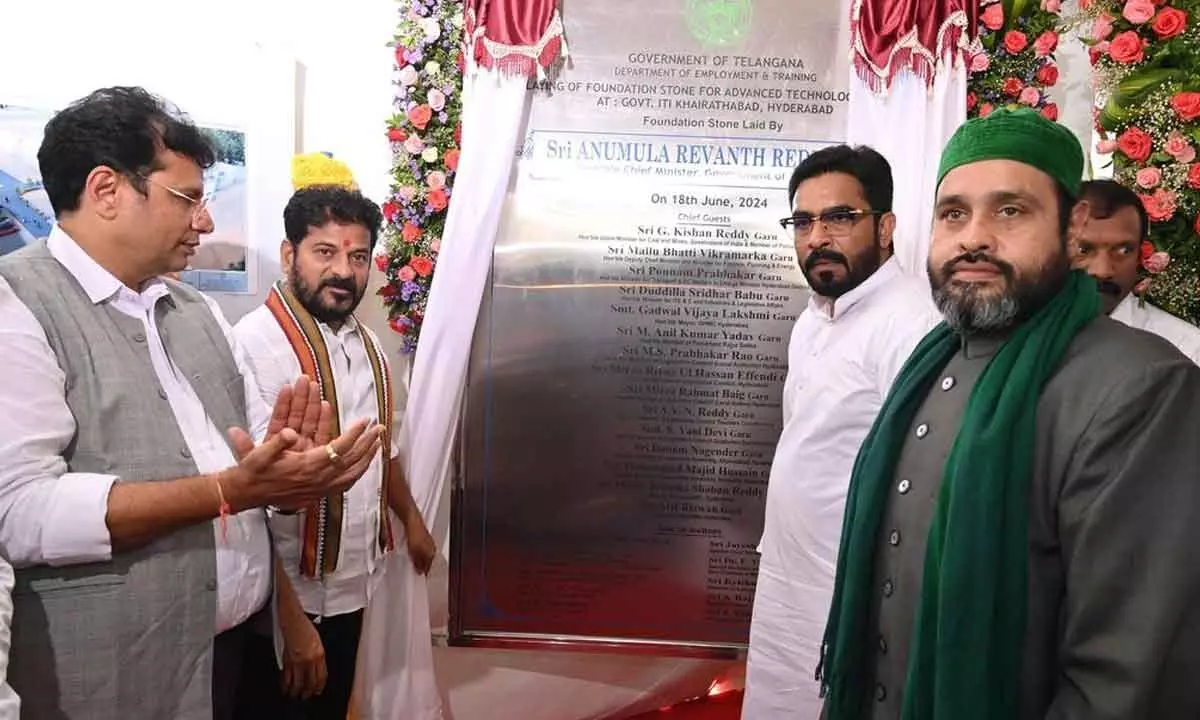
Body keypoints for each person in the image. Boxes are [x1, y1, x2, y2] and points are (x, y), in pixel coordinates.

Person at [0, 86, 382, 720]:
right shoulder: (18, 306)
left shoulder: (196, 310)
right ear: (106, 190)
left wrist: (290, 470)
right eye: (188, 199)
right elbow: (19, 511)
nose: (205, 221)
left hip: (229, 656)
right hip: (107, 678)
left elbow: (252, 459)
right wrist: (232, 489)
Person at [818, 107, 1200, 719]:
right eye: (954, 214)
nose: (973, 237)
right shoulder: (932, 359)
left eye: (1010, 211)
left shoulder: (1140, 386)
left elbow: (1130, 671)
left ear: (1072, 228)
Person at [742, 145, 939, 719]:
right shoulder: (814, 317)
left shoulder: (910, 324)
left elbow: (921, 479)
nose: (817, 237)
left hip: (847, 589)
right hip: (788, 572)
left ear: (886, 227)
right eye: (803, 221)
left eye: (840, 218)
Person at [233, 178, 436, 719]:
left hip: (351, 588)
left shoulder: (366, 343)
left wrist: (411, 519)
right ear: (288, 253)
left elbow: (379, 450)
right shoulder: (252, 343)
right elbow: (243, 497)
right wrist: (291, 621)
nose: (344, 271)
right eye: (325, 252)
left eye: (359, 255)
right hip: (281, 603)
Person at [1072, 179, 1200, 363]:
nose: (1102, 271)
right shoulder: (1021, 333)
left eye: (1123, 251)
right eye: (1083, 250)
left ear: (1141, 255)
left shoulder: (1186, 349)